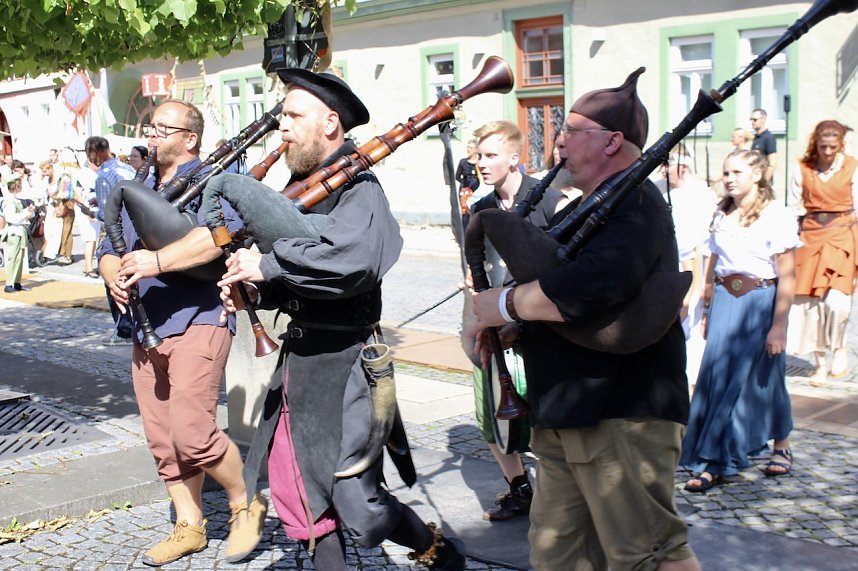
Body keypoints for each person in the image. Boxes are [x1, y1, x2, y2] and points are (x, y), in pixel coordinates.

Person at [216, 69, 466, 570]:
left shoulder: (361, 191)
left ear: (330, 123)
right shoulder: (297, 185)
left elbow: (351, 265)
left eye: (293, 116)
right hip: (300, 364)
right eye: (281, 115)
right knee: (301, 496)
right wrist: (254, 290)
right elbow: (293, 276)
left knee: (358, 503)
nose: (280, 127)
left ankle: (434, 549)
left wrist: (266, 265)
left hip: (350, 364)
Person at [470, 68, 700, 571]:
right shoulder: (597, 204)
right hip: (570, 409)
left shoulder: (638, 203)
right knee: (560, 553)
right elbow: (570, 291)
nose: (559, 142)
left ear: (613, 141)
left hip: (622, 412)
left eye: (572, 131)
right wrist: (518, 325)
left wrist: (504, 305)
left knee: (648, 555)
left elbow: (597, 285)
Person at [98, 99, 267, 567]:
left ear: (190, 137)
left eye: (161, 129)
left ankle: (243, 503)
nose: (151, 136)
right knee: (162, 436)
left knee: (192, 432)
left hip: (199, 317)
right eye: (149, 128)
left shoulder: (216, 182)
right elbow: (108, 244)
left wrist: (154, 261)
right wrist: (112, 270)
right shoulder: (138, 186)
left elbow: (217, 238)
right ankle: (189, 525)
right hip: (145, 323)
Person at [680, 149, 800, 490]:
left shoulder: (777, 215)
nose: (729, 178)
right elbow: (713, 261)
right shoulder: (722, 212)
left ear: (757, 175)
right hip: (724, 300)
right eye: (726, 172)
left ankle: (778, 445)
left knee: (763, 376)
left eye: (736, 172)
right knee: (718, 377)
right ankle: (714, 456)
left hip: (759, 301)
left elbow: (788, 276)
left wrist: (779, 325)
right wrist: (706, 304)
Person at [466, 120, 564, 522]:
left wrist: (519, 316)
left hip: (537, 324)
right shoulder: (480, 209)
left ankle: (560, 497)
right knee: (489, 409)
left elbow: (558, 270)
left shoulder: (549, 201)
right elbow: (477, 264)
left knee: (544, 416)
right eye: (478, 157)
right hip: (491, 324)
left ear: (514, 157)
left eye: (491, 156)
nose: (483, 165)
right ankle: (519, 488)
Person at [788, 120, 858, 385]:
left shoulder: (852, 168)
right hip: (810, 233)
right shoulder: (803, 168)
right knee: (809, 305)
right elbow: (795, 205)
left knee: (837, 302)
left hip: (842, 233)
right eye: (822, 146)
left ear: (840, 144)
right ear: (815, 144)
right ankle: (819, 363)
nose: (827, 152)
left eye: (832, 146)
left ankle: (838, 346)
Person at [85, 135, 137, 345]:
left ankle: (124, 328)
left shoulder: (104, 175)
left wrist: (92, 212)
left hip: (117, 232)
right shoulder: (126, 168)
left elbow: (109, 214)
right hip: (135, 227)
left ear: (94, 153)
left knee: (113, 277)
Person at [2, 175, 35, 293]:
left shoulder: (16, 200)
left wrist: (28, 213)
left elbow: (20, 216)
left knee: (20, 258)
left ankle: (16, 282)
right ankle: (9, 283)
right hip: (14, 231)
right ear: (16, 186)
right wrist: (26, 214)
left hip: (20, 230)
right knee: (12, 257)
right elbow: (11, 218)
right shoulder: (9, 201)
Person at [455, 138, 480, 229]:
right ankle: (465, 236)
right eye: (468, 147)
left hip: (477, 190)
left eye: (471, 147)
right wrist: (464, 186)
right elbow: (457, 176)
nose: (468, 149)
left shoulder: (479, 162)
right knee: (465, 214)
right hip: (465, 191)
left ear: (476, 150)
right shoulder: (463, 162)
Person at [750, 108, 777, 185]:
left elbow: (772, 162)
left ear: (763, 119)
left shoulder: (768, 137)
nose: (752, 122)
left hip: (763, 182)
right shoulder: (757, 138)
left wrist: (764, 183)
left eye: (755, 120)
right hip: (755, 180)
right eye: (751, 119)